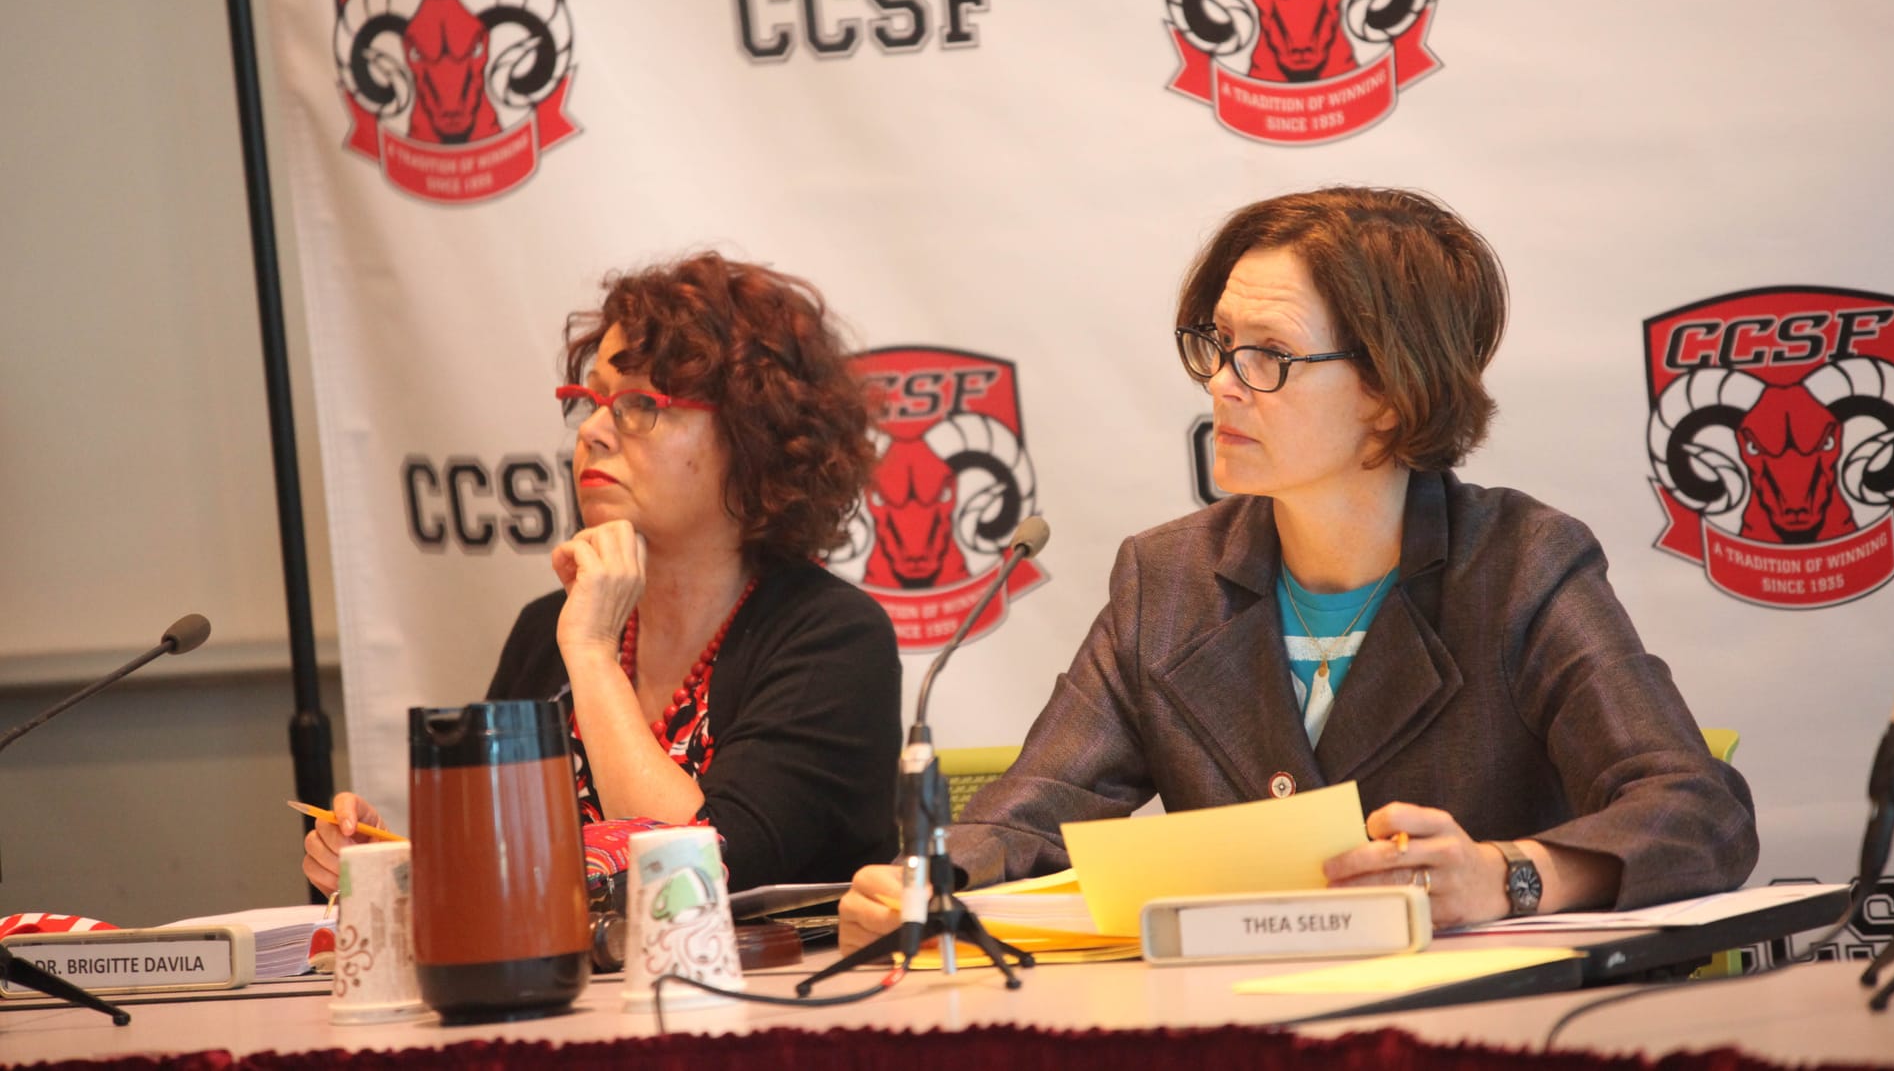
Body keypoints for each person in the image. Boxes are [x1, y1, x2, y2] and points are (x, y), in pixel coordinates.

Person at [840, 187, 1756, 946]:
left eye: (1269, 354)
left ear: (1395, 392)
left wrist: (1505, 873)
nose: (1221, 384)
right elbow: (1031, 812)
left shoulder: (1521, 565)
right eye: (1218, 343)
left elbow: (1695, 809)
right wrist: (930, 880)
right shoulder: (1165, 580)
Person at [305, 254, 902, 893]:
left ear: (754, 435)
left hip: (769, 991)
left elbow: (695, 876)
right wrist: (385, 867)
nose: (591, 431)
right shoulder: (545, 631)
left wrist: (592, 655)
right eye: (590, 402)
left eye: (638, 404)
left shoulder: (832, 637)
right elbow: (493, 866)